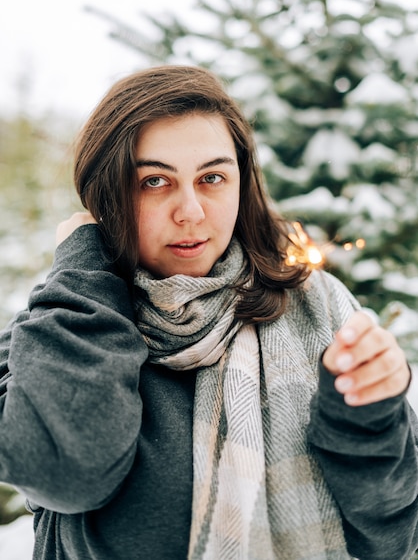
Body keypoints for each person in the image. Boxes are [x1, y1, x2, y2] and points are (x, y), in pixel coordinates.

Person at [0, 65, 417, 560]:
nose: (191, 211)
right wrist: (83, 269)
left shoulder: (321, 312)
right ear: (106, 193)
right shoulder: (56, 329)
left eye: (213, 177)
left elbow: (397, 538)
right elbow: (64, 474)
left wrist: (367, 420)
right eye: (154, 181)